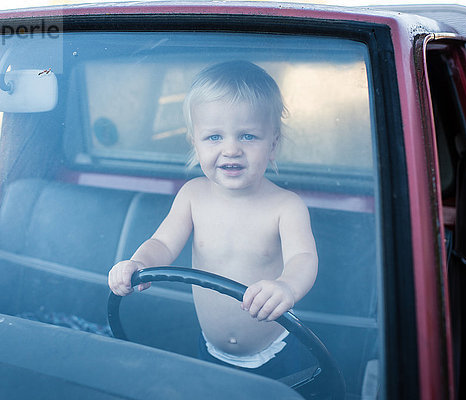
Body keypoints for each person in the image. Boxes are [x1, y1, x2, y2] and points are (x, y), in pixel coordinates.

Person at [108, 60, 318, 379]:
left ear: (273, 144)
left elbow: (303, 258)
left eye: (248, 136)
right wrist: (137, 263)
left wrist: (286, 287)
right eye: (214, 137)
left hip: (277, 353)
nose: (231, 149)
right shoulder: (193, 195)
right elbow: (163, 242)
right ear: (195, 142)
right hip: (210, 349)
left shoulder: (286, 206)